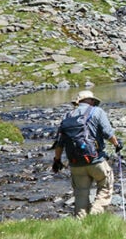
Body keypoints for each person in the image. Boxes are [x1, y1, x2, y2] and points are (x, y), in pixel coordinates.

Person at [51, 90, 122, 218]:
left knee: (80, 193)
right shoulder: (97, 111)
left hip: (75, 163)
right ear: (91, 100)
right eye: (93, 100)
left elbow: (59, 143)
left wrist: (57, 160)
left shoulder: (67, 116)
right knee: (105, 187)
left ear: (78, 102)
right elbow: (107, 133)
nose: (94, 102)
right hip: (96, 161)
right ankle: (94, 216)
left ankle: (81, 222)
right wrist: (117, 144)